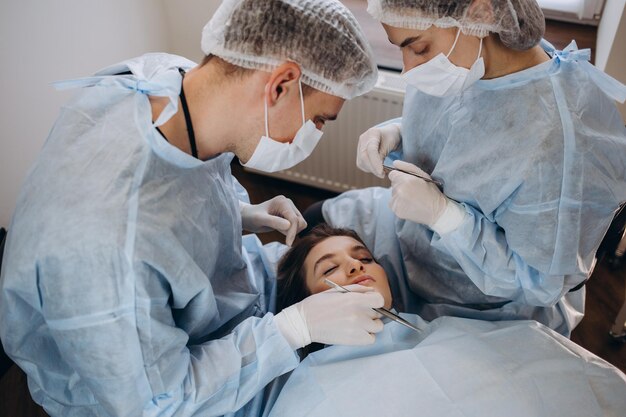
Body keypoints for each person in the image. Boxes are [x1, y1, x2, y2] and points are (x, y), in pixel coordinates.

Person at [0, 1, 384, 416]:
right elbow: (159, 402)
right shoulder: (110, 253)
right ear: (280, 84)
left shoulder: (172, 83)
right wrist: (292, 330)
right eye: (321, 120)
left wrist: (237, 212)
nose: (316, 134)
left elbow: (184, 185)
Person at [310, 0, 626, 336]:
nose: (408, 69)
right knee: (314, 220)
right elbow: (468, 127)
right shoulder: (468, 57)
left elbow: (538, 281)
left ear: (480, 14)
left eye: (416, 47)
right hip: (415, 239)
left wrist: (446, 216)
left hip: (481, 296)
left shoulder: (561, 145)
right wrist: (399, 132)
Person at [268, 224, 626, 417]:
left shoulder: (448, 330)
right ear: (305, 304)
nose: (356, 265)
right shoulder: (311, 390)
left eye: (363, 256)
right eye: (330, 269)